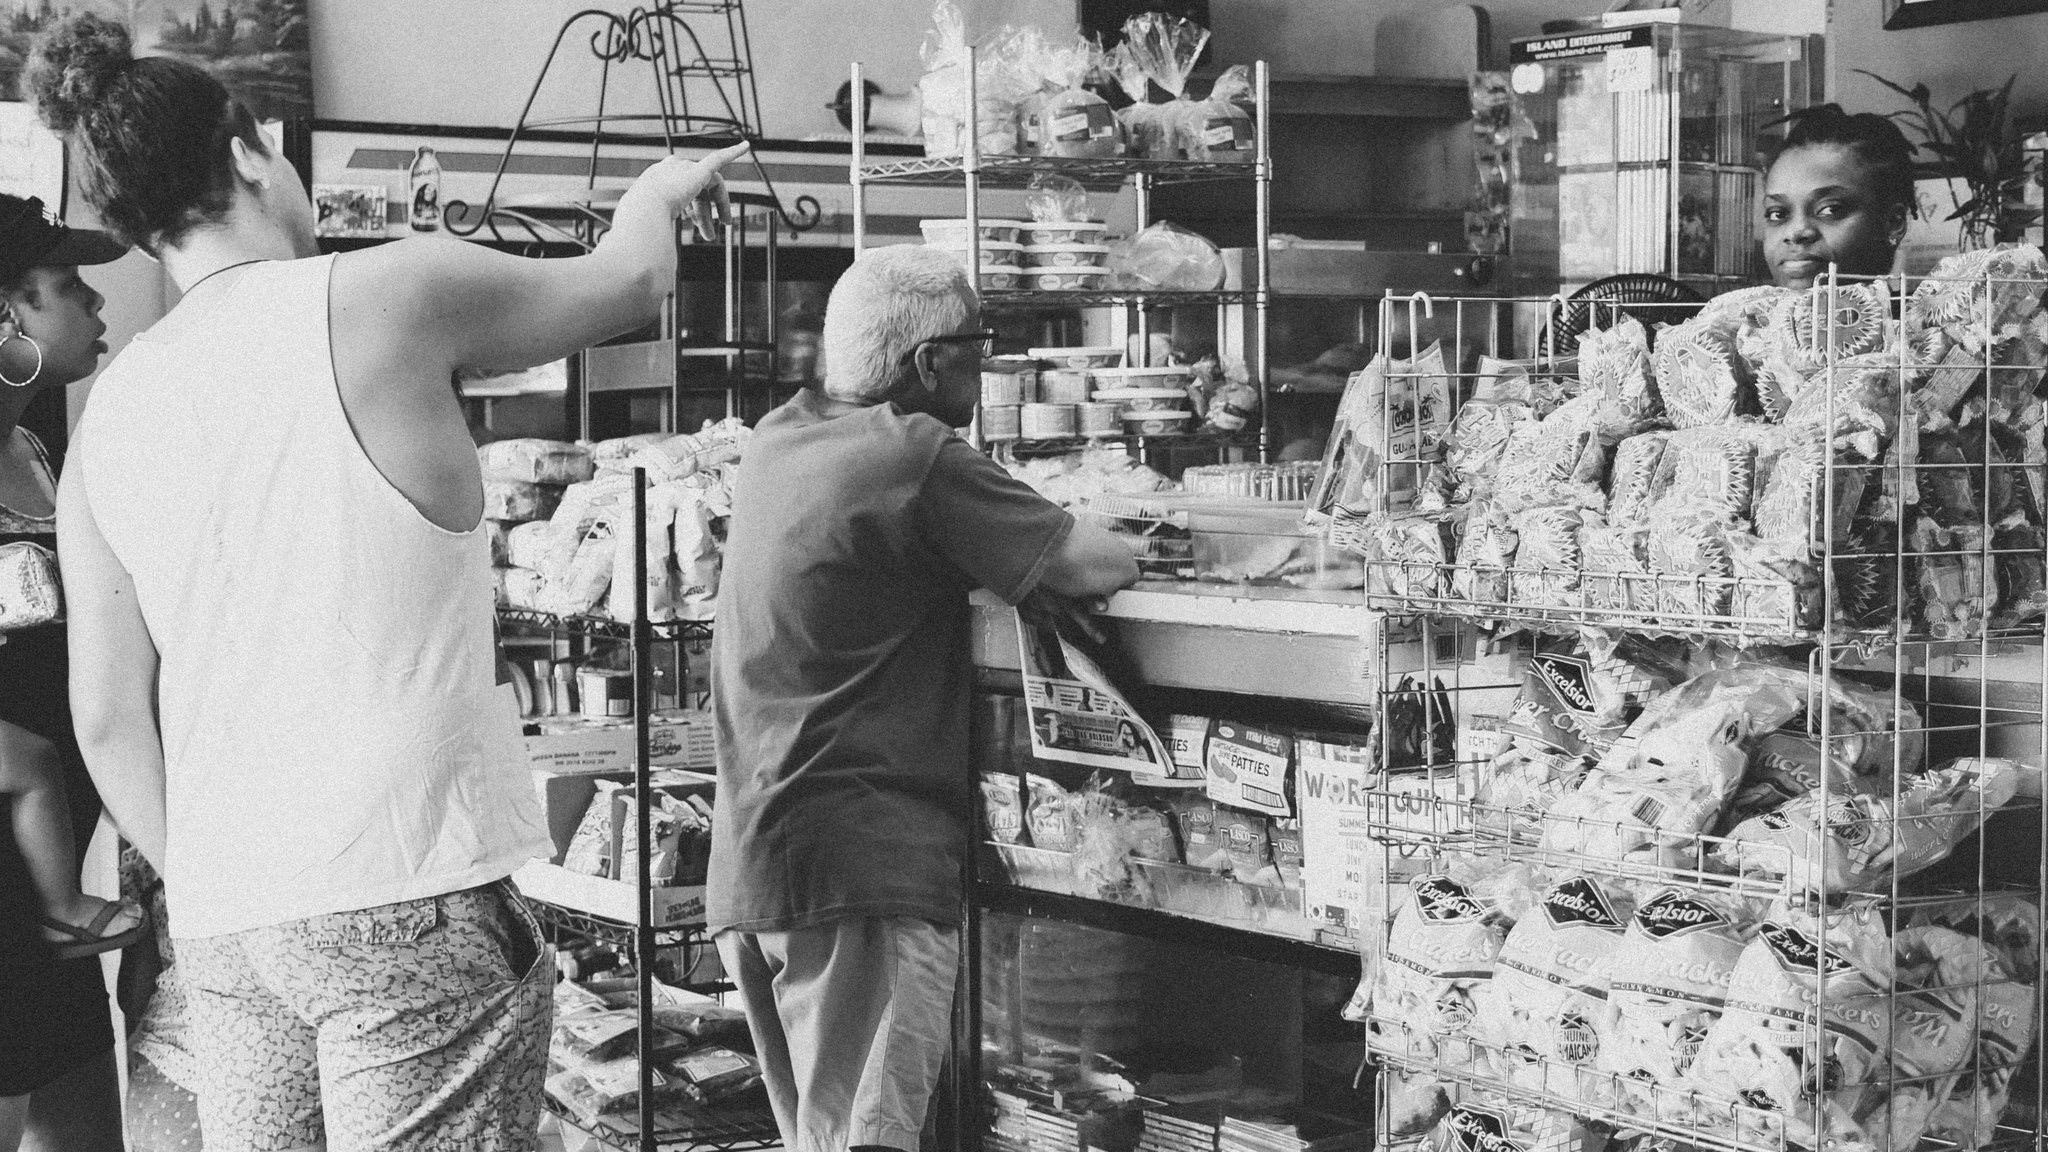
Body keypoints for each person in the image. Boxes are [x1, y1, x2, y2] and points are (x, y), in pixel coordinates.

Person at [28, 14, 748, 1148]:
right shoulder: (383, 293)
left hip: (229, 922)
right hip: (403, 880)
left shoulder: (108, 417)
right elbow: (629, 284)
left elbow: (110, 717)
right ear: (249, 153)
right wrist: (658, 188)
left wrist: (216, 886)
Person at [709, 244, 1141, 1152]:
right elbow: (1093, 563)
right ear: (932, 361)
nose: (984, 369)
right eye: (980, 347)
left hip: (761, 864)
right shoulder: (912, 454)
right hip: (861, 873)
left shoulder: (779, 437)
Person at [0, 193, 132, 1152]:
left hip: (49, 872)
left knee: (85, 1127)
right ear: (6, 314)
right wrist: (29, 764)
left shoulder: (31, 447)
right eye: (68, 285)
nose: (96, 303)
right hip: (15, 865)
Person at [1760, 103, 1916, 289]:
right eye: (1778, 214)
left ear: (1893, 223)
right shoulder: (1736, 307)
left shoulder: (1935, 307)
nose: (1795, 233)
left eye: (1830, 210)